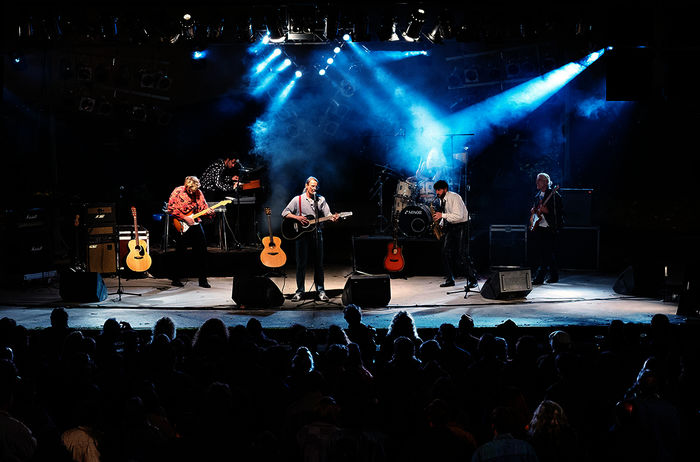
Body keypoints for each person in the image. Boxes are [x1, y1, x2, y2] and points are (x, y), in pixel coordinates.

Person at [282, 176, 338, 302]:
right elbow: (284, 213)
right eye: (312, 186)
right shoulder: (298, 199)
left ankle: (321, 291)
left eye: (316, 186)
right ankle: (300, 291)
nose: (314, 188)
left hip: (317, 234)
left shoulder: (320, 199)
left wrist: (332, 217)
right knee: (301, 264)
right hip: (301, 236)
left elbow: (327, 214)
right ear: (307, 185)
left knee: (319, 264)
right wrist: (298, 218)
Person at [167, 176, 214, 288]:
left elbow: (203, 208)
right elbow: (171, 208)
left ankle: (203, 280)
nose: (193, 192)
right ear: (186, 186)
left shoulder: (199, 193)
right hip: (181, 224)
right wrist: (184, 217)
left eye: (194, 190)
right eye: (191, 190)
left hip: (196, 222)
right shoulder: (178, 191)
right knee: (180, 251)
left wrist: (209, 212)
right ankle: (176, 278)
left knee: (202, 250)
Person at [432, 179, 477, 288]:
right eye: (436, 190)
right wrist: (442, 222)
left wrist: (442, 216)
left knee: (462, 254)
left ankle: (473, 280)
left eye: (439, 190)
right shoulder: (441, 200)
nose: (437, 193)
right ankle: (449, 279)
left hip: (462, 225)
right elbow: (447, 214)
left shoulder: (455, 197)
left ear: (445, 189)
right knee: (445, 252)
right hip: (451, 225)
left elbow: (458, 216)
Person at [529, 172, 563, 285]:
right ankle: (554, 276)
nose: (537, 182)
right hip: (540, 227)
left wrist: (547, 212)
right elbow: (537, 211)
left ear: (546, 182)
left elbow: (559, 213)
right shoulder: (537, 195)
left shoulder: (554, 195)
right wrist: (533, 212)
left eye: (539, 180)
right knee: (546, 253)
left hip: (550, 228)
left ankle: (539, 278)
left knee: (546, 253)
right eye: (537, 180)